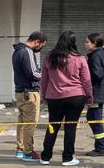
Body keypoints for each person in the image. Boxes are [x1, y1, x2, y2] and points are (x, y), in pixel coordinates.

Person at [39, 31, 93, 166]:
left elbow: (44, 79)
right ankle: (67, 158)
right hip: (76, 97)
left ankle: (45, 157)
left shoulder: (49, 57)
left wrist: (43, 95)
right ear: (73, 43)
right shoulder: (79, 58)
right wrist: (90, 97)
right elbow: (86, 80)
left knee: (52, 126)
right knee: (70, 127)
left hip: (54, 97)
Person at [12, 31, 46, 162]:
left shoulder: (17, 51)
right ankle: (28, 152)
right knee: (30, 123)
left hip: (20, 92)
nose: (41, 48)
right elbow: (33, 73)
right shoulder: (27, 52)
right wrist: (45, 74)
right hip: (29, 93)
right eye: (42, 45)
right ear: (37, 42)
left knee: (22, 122)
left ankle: (20, 149)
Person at [84, 33, 104, 157]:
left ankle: (101, 147)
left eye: (87, 42)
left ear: (94, 43)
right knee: (93, 118)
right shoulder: (100, 53)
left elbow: (97, 74)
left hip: (96, 92)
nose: (85, 44)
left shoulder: (95, 56)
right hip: (100, 92)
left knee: (94, 119)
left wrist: (85, 78)